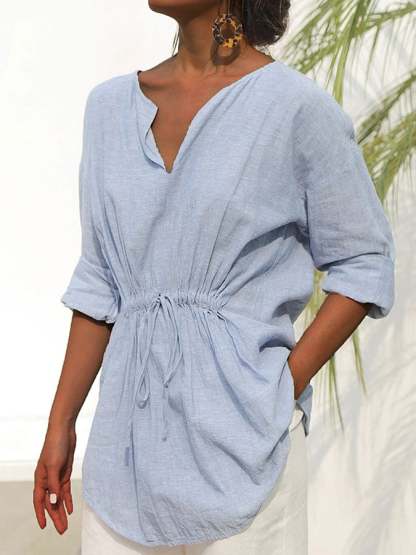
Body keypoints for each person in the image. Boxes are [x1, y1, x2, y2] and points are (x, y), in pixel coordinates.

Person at [33, 1, 396, 553]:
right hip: (124, 456)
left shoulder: (294, 108)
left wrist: (281, 385)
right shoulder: (107, 109)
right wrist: (61, 421)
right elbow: (101, 280)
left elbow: (365, 259)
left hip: (247, 448)